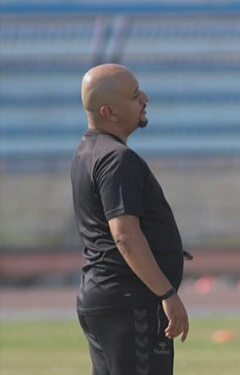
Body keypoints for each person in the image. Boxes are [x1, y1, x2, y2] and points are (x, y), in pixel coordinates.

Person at [71, 63, 189, 375]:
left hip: (107, 299)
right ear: (109, 111)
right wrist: (167, 293)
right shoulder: (116, 159)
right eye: (134, 95)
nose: (145, 98)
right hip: (129, 302)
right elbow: (124, 235)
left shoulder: (86, 150)